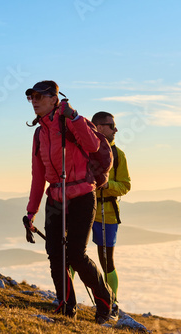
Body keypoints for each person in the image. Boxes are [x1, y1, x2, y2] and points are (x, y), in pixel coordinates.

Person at [23, 80, 113, 323]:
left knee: (75, 254)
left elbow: (93, 144)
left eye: (39, 97)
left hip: (82, 195)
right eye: (31, 97)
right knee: (55, 253)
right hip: (55, 197)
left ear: (54, 98)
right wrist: (31, 212)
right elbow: (38, 175)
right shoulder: (39, 132)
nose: (34, 101)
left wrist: (72, 117)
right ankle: (66, 305)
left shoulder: (74, 120)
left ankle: (105, 303)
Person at [91, 111, 131, 316]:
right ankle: (67, 297)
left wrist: (107, 185)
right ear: (98, 127)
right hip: (83, 208)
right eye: (111, 126)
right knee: (71, 254)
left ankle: (112, 303)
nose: (116, 130)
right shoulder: (84, 150)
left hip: (107, 211)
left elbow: (125, 186)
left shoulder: (119, 155)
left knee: (106, 261)